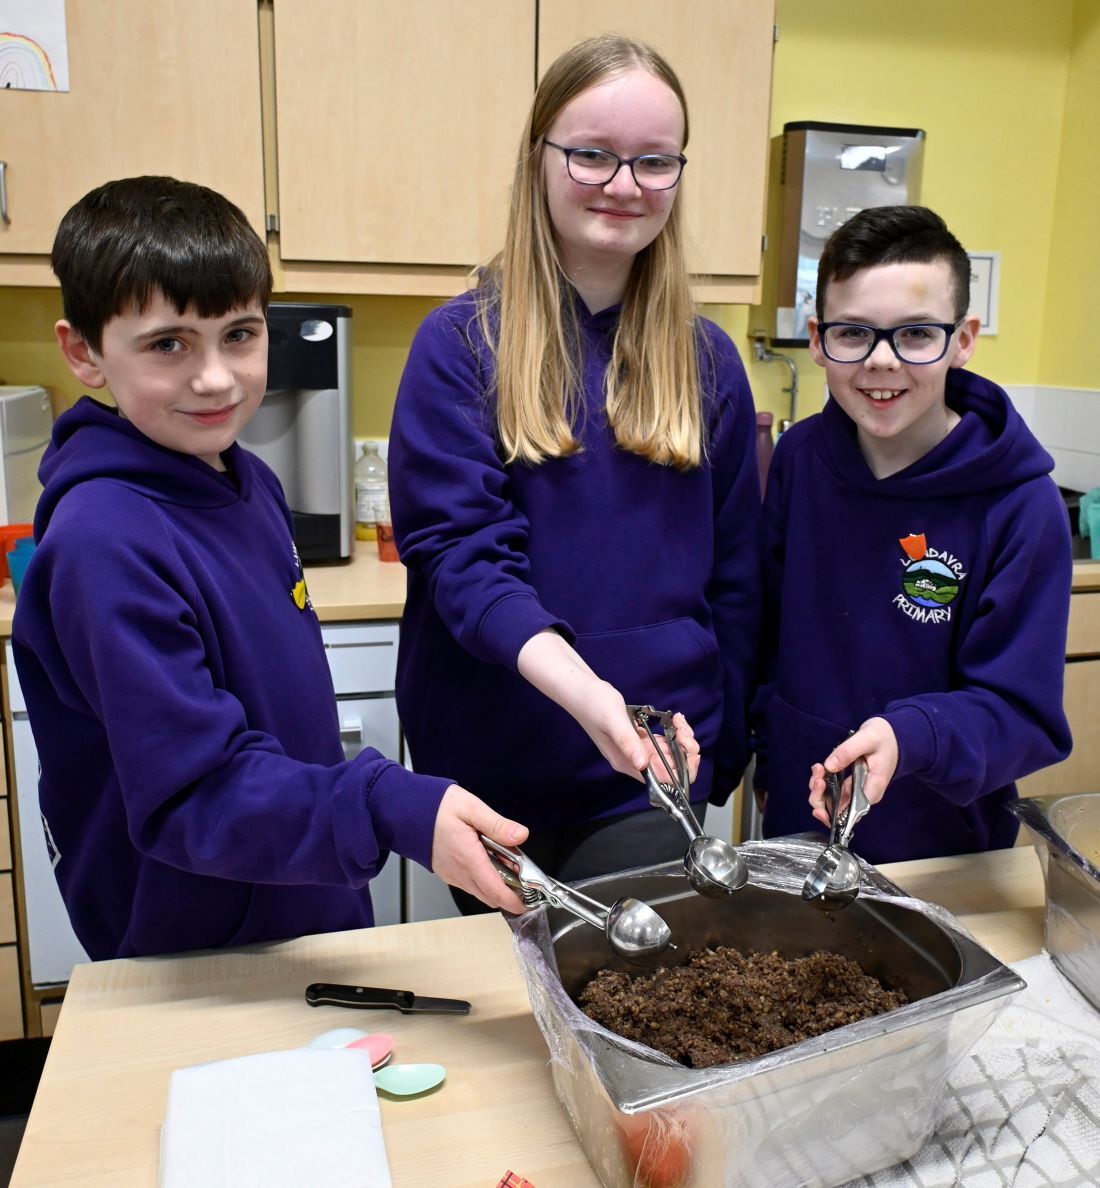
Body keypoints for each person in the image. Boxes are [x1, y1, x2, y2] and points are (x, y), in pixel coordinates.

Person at [10, 176, 529, 961]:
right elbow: (196, 791)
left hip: (295, 904)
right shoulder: (102, 543)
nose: (216, 377)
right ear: (84, 351)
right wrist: (385, 801)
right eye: (167, 344)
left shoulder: (246, 480)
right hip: (193, 947)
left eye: (240, 335)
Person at [388, 34, 761, 906]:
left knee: (635, 1003)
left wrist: (726, 743)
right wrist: (591, 696)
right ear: (539, 160)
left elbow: (739, 576)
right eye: (592, 154)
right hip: (491, 770)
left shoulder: (708, 364)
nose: (624, 185)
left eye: (653, 161)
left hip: (647, 771)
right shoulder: (459, 346)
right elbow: (464, 560)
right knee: (522, 1016)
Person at [755, 204, 1071, 863]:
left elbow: (1023, 714)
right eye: (853, 333)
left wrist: (912, 736)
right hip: (799, 828)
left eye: (916, 335)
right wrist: (767, 741)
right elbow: (765, 632)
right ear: (817, 339)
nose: (880, 362)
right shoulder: (801, 460)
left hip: (941, 853)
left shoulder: (1019, 505)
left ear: (963, 339)